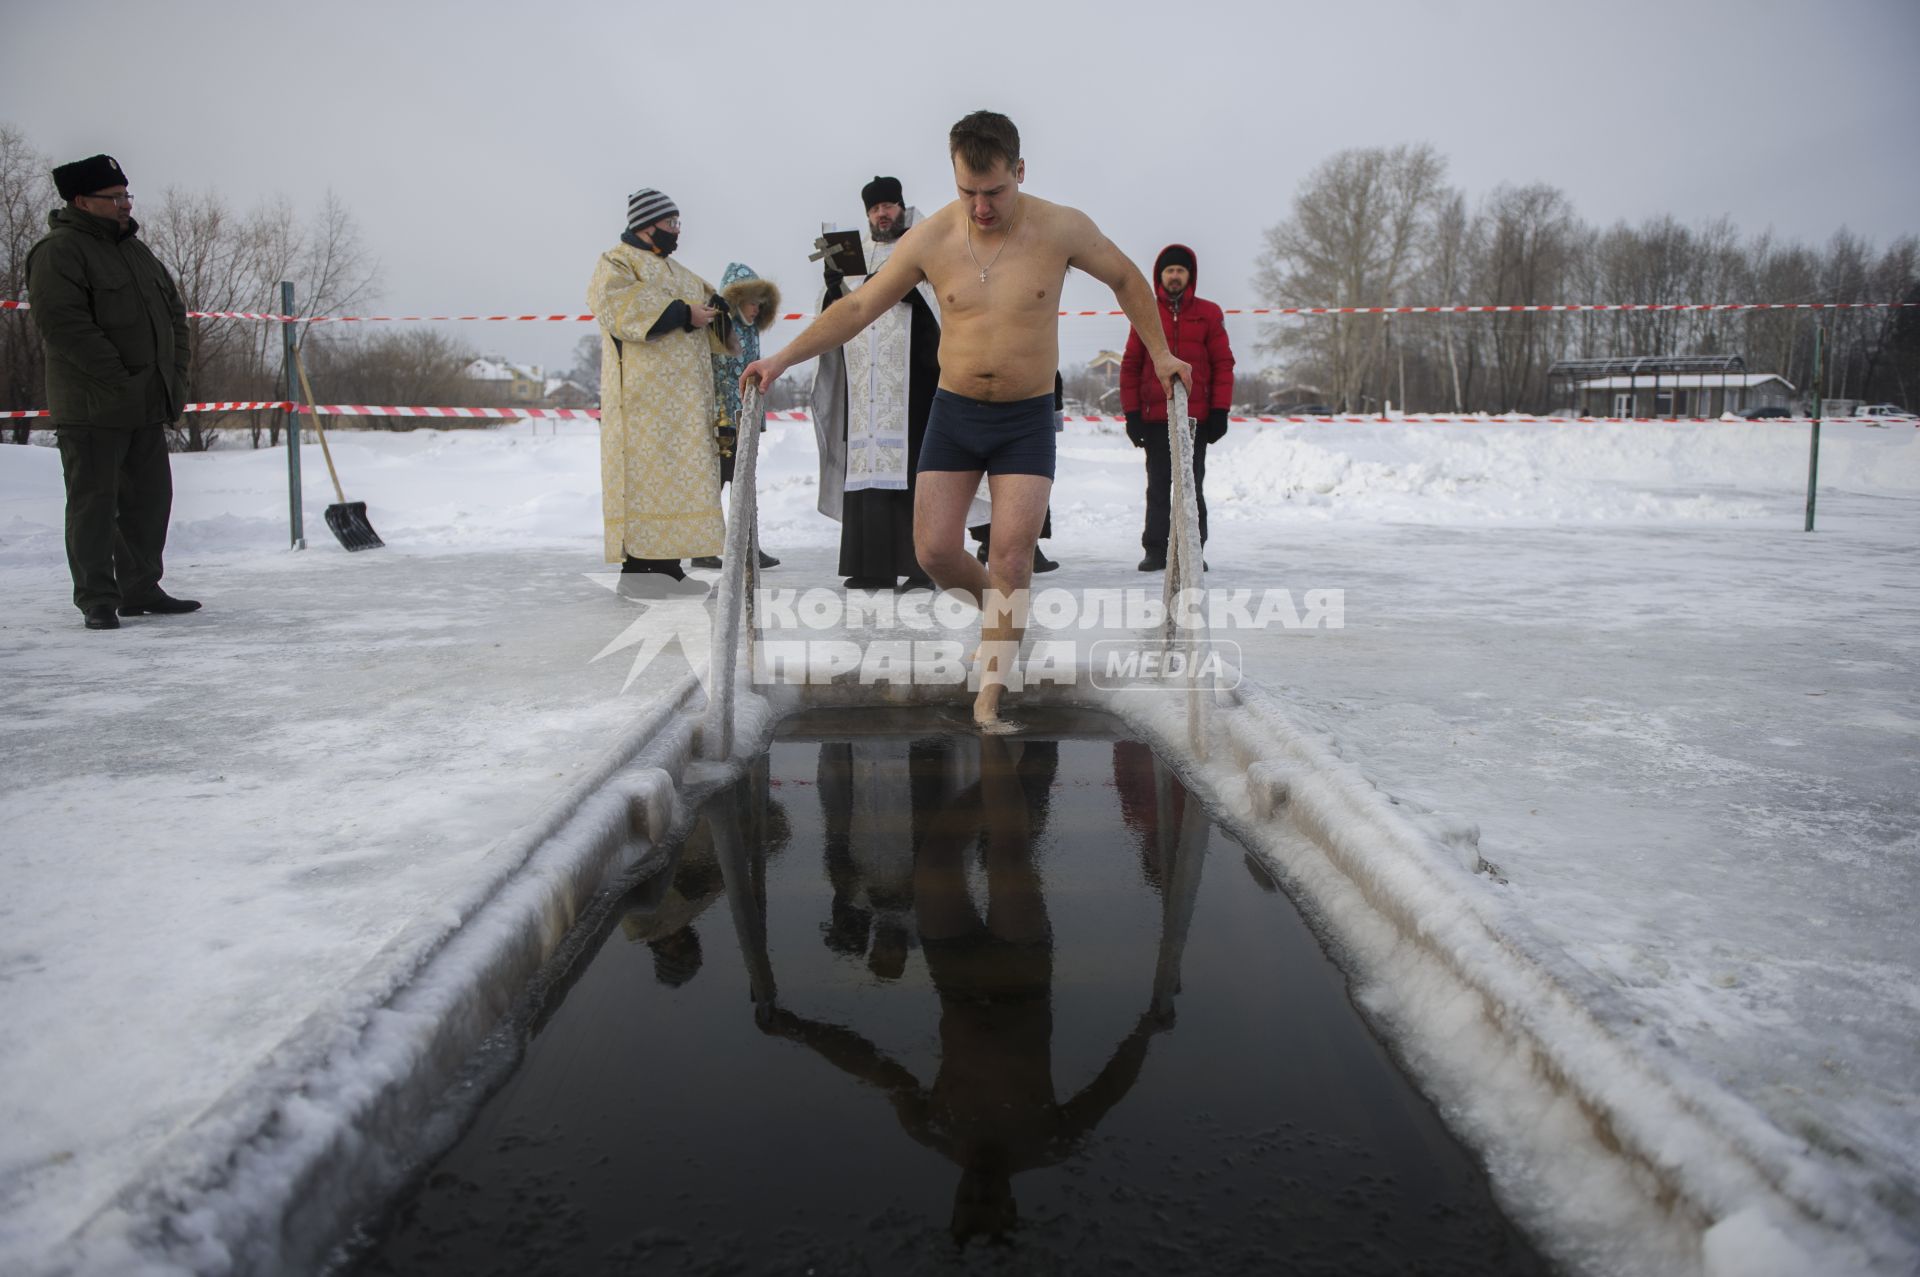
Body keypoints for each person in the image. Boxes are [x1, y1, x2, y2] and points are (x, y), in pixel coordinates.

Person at [745, 112, 1191, 729]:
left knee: (1011, 557)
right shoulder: (930, 238)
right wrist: (780, 359)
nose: (981, 207)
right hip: (954, 413)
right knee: (932, 551)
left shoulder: (1061, 227)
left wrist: (1162, 351)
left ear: (1019, 171)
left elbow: (1123, 277)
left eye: (995, 192)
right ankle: (1004, 617)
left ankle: (991, 692)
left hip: (1025, 418)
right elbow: (858, 307)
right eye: (967, 192)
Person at [26, 153, 196, 630]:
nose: (125, 204)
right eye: (114, 197)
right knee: (94, 505)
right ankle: (97, 597)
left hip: (145, 401)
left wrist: (173, 376)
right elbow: (65, 326)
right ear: (81, 201)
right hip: (94, 407)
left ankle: (140, 588)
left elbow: (174, 318)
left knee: (149, 501)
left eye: (126, 195)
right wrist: (119, 379)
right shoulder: (59, 252)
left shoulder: (135, 251)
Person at [587, 187, 731, 581]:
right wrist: (683, 313)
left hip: (684, 405)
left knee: (678, 482)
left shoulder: (678, 271)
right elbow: (615, 306)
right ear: (647, 225)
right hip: (641, 404)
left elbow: (713, 307)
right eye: (670, 223)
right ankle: (642, 568)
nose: (676, 230)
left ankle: (668, 565)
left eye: (677, 222)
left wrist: (725, 310)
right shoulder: (616, 262)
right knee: (646, 483)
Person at [809, 176, 944, 592]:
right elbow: (838, 317)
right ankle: (871, 565)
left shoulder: (924, 246)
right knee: (866, 470)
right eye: (874, 209)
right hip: (864, 382)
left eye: (889, 206)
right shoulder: (857, 256)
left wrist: (908, 295)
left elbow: (943, 307)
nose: (882, 214)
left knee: (913, 471)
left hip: (914, 381)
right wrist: (833, 293)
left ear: (901, 207)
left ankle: (921, 566)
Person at [1121, 243, 1234, 572]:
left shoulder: (1209, 313)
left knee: (1192, 484)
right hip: (1156, 418)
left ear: (1190, 276)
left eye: (1180, 270)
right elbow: (1130, 365)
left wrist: (1220, 411)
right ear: (1160, 275)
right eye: (1169, 270)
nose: (1174, 276)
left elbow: (1223, 364)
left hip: (1195, 420)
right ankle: (1155, 548)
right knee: (1158, 485)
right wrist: (1131, 415)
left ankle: (1193, 550)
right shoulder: (1146, 312)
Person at [697, 261, 782, 571]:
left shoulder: (750, 330)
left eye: (761, 304)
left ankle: (735, 547)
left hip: (744, 418)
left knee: (736, 482)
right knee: (725, 481)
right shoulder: (722, 325)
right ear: (736, 300)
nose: (757, 309)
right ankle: (715, 546)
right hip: (726, 420)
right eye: (751, 302)